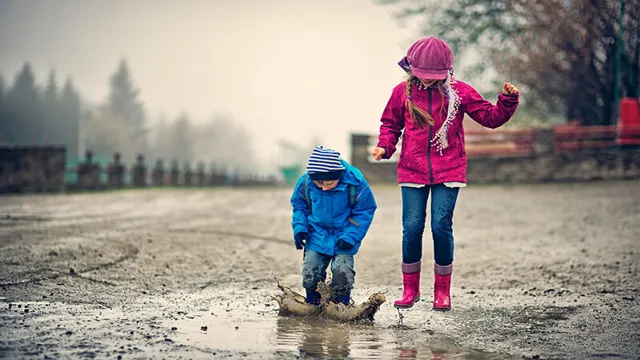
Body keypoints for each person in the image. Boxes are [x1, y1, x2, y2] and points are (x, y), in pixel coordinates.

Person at [372, 37, 520, 311]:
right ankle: (410, 289)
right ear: (411, 69)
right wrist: (385, 146)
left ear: (446, 72)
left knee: (441, 227)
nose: (427, 82)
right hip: (412, 170)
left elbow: (490, 118)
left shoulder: (459, 92)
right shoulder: (400, 94)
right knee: (412, 228)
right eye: (422, 76)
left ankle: (442, 292)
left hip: (449, 168)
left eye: (433, 77)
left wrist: (507, 101)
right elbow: (390, 125)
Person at [290, 146, 377, 306]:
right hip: (316, 234)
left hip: (345, 235)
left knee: (342, 271)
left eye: (328, 182)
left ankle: (341, 304)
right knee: (310, 269)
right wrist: (300, 228)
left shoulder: (356, 185)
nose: (323, 187)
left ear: (339, 175)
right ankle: (313, 304)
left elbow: (364, 211)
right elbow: (299, 207)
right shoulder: (305, 183)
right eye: (319, 183)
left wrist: (351, 236)